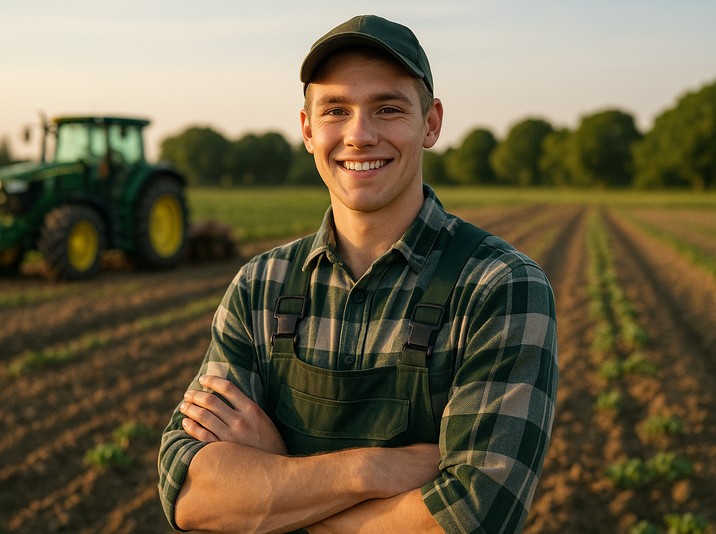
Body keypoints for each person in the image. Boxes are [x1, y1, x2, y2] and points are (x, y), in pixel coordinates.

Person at [159, 14, 558, 534]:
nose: (360, 135)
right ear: (307, 129)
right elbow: (187, 492)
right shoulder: (260, 286)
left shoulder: (500, 287)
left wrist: (273, 484)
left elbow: (475, 517)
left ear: (431, 123)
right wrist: (372, 470)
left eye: (388, 109)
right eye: (336, 110)